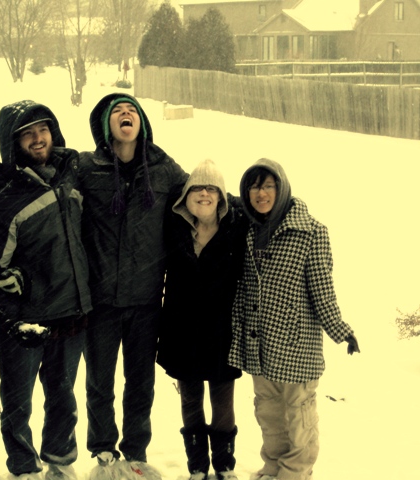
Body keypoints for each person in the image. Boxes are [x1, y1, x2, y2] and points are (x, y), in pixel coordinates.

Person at [0, 100, 92, 480]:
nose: (38, 138)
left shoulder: (71, 178)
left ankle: (60, 462)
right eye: (27, 133)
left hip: (70, 312)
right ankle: (24, 469)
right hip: (25, 322)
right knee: (18, 404)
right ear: (13, 143)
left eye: (43, 129)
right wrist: (12, 318)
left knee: (63, 396)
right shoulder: (4, 197)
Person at [228, 158, 360, 480]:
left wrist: (341, 330)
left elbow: (322, 290)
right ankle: (273, 466)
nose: (260, 193)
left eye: (267, 186)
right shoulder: (248, 229)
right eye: (254, 187)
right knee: (268, 413)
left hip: (296, 346)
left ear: (282, 188)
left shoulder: (311, 232)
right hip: (259, 345)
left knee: (300, 418)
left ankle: (296, 473)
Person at [78, 93, 187, 478]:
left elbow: (200, 194)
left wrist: (240, 207)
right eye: (118, 112)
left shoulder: (163, 167)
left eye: (132, 110)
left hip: (145, 299)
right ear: (106, 125)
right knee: (99, 382)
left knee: (140, 381)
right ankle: (104, 452)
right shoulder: (87, 167)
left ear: (142, 122)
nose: (126, 114)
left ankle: (136, 451)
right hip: (101, 300)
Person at [157, 159, 247, 480]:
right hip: (182, 330)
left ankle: (224, 465)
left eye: (212, 188)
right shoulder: (174, 226)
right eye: (197, 188)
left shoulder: (237, 228)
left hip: (222, 332)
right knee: (190, 399)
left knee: (223, 401)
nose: (204, 194)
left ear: (221, 196)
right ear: (186, 196)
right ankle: (197, 466)